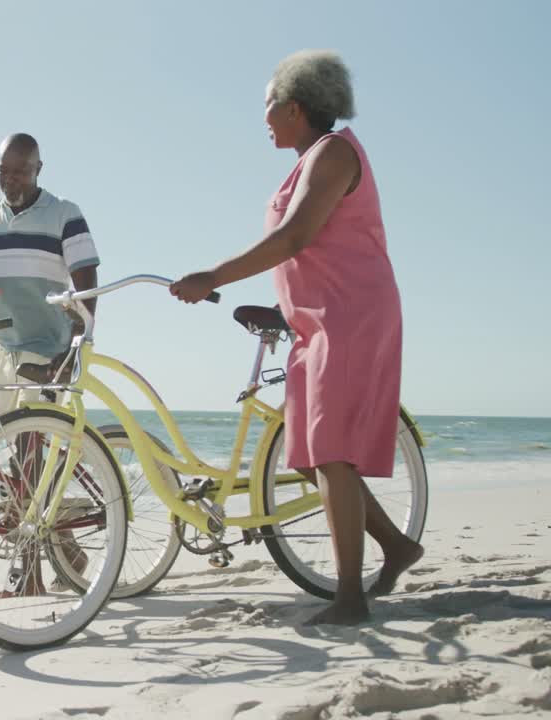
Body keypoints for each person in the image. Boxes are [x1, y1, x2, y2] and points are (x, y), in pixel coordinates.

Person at [170, 50, 423, 626]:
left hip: (351, 316)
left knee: (330, 450)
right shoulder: (308, 158)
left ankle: (350, 598)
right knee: (308, 454)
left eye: (269, 105)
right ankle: (398, 546)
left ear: (296, 106)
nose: (262, 116)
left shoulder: (334, 153)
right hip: (314, 320)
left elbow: (294, 236)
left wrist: (213, 276)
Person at [0, 133, 100, 598]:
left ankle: (28, 575)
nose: (10, 181)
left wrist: (76, 348)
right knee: (20, 463)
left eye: (20, 172)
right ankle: (66, 549)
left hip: (48, 350)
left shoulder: (64, 215)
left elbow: (87, 285)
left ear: (38, 169)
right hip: (4, 352)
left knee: (30, 457)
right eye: (3, 172)